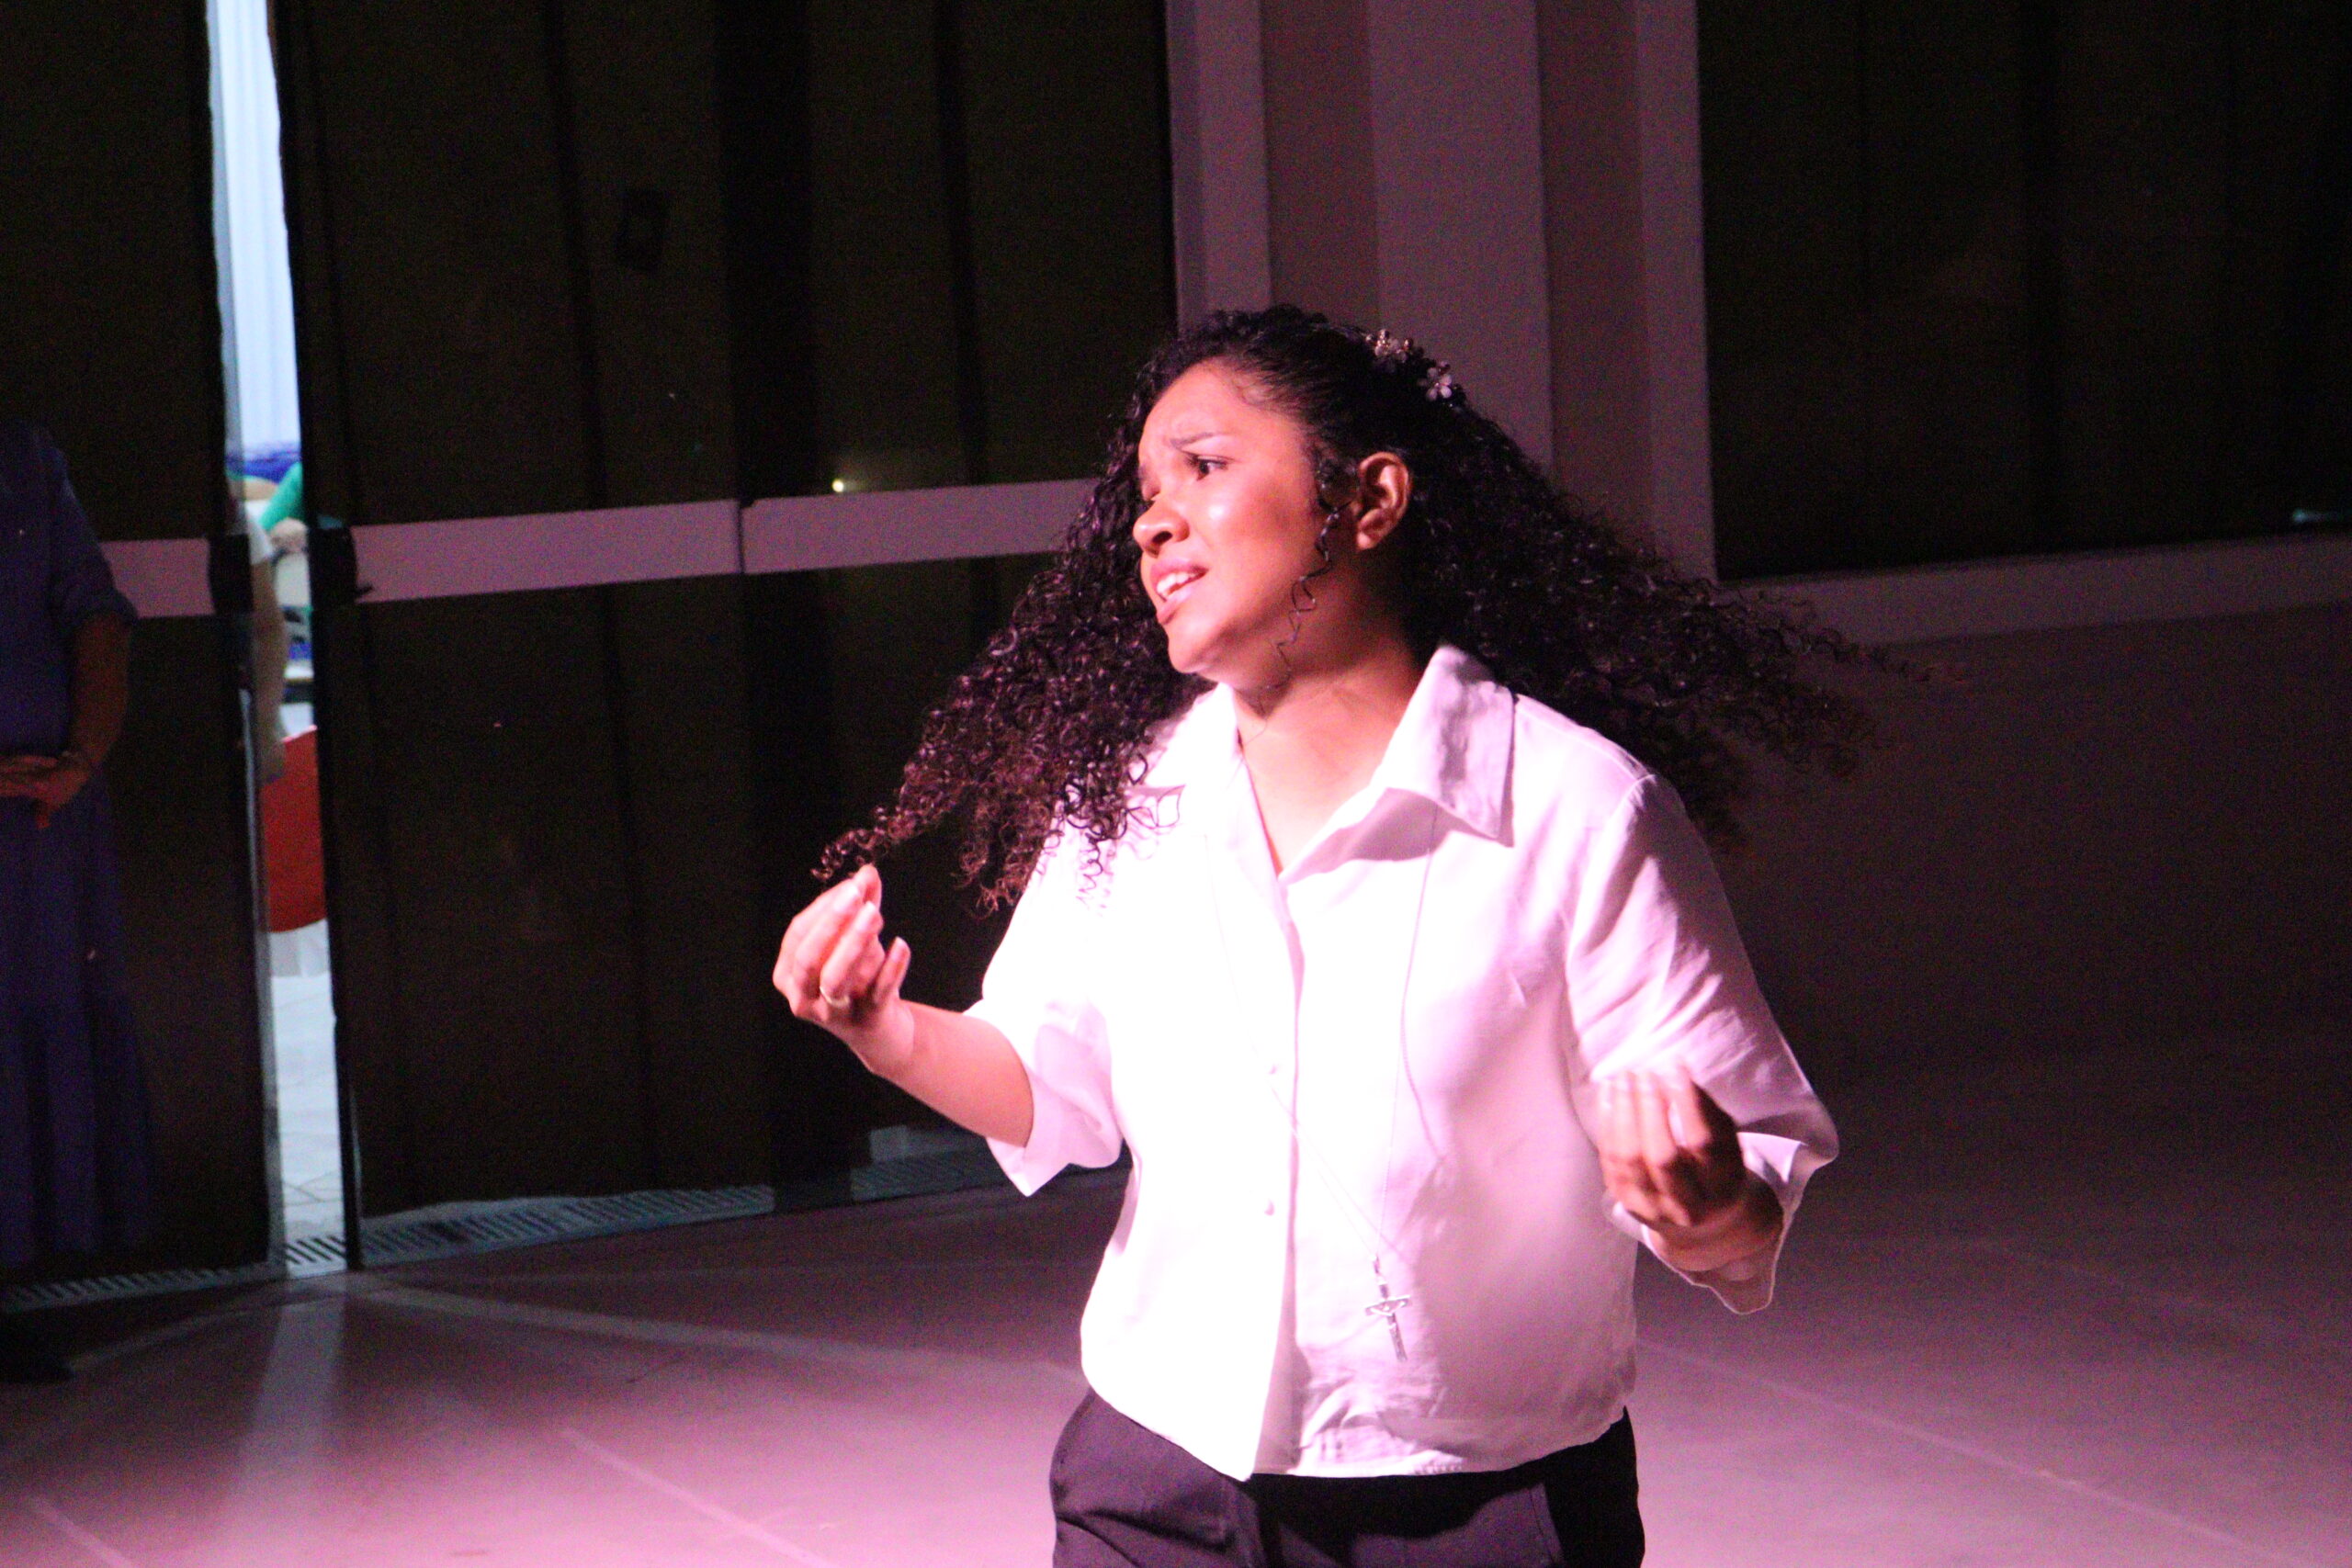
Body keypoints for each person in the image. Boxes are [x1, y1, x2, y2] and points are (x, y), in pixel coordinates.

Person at [775, 308, 1865, 1566]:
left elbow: (1748, 1182)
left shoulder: (1576, 808)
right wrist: (883, 1029)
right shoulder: (1132, 801)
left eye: (1204, 466)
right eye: (1145, 493)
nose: (1151, 522)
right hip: (1157, 1477)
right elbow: (1043, 1077)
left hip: (1480, 1505)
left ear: (1367, 500)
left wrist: (1708, 1201)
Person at [0, 421, 153, 1382]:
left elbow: (96, 611)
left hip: (39, 819)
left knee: (25, 1028)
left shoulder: (26, 462)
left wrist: (83, 756)